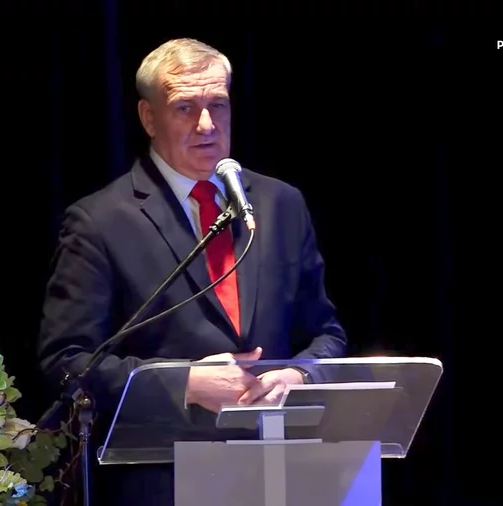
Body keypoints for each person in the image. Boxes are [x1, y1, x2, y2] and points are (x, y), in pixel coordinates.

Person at [37, 38, 347, 506]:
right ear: (148, 118)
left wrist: (299, 375)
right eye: (185, 108)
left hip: (284, 472)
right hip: (162, 480)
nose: (207, 124)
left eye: (217, 105)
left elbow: (326, 334)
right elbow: (67, 361)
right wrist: (185, 384)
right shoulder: (100, 222)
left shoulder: (280, 204)